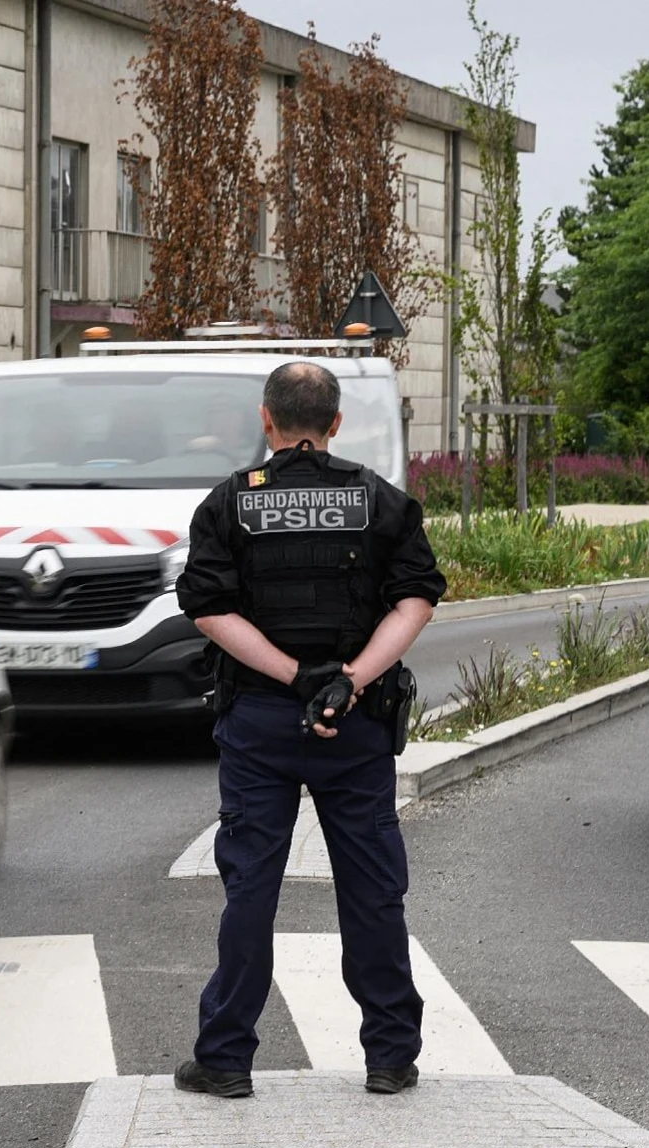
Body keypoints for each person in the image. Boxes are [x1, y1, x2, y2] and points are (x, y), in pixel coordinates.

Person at [172, 360, 446, 1100]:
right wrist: (348, 681)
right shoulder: (379, 501)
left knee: (252, 888)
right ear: (335, 424)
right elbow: (416, 598)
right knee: (372, 891)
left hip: (261, 722)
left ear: (267, 420)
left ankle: (226, 1059)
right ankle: (390, 1056)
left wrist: (294, 677)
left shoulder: (231, 504)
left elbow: (206, 608)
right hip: (355, 728)